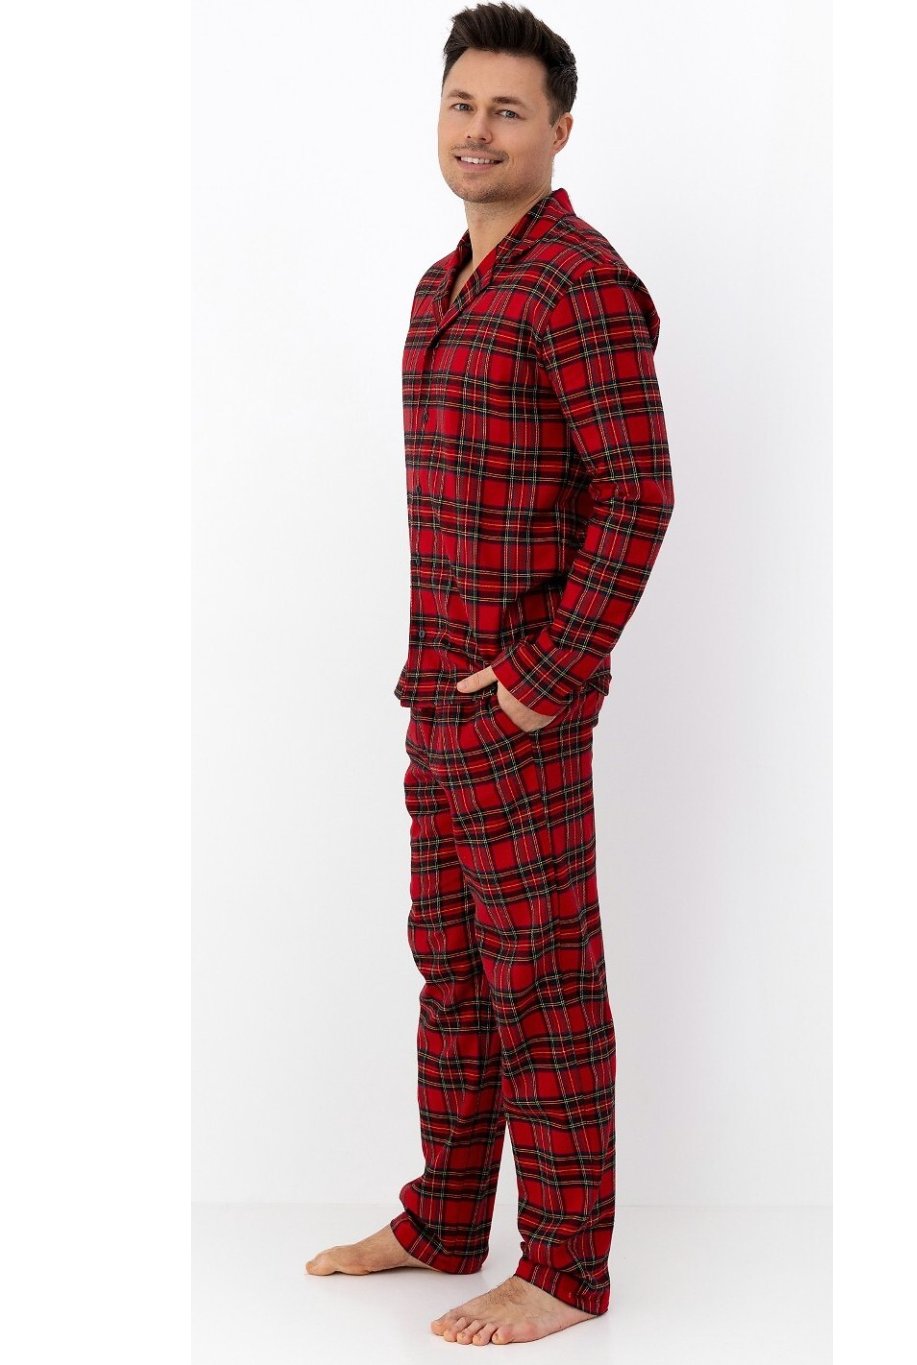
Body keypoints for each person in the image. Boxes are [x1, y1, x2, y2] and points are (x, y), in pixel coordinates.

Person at [306, 2, 674, 1346]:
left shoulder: (578, 284)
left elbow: (638, 496)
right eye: (462, 104)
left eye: (508, 110)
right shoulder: (440, 286)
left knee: (544, 982)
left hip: (521, 709)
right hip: (435, 697)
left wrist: (541, 679)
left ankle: (566, 1266)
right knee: (454, 974)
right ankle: (447, 1217)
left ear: (559, 131)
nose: (479, 130)